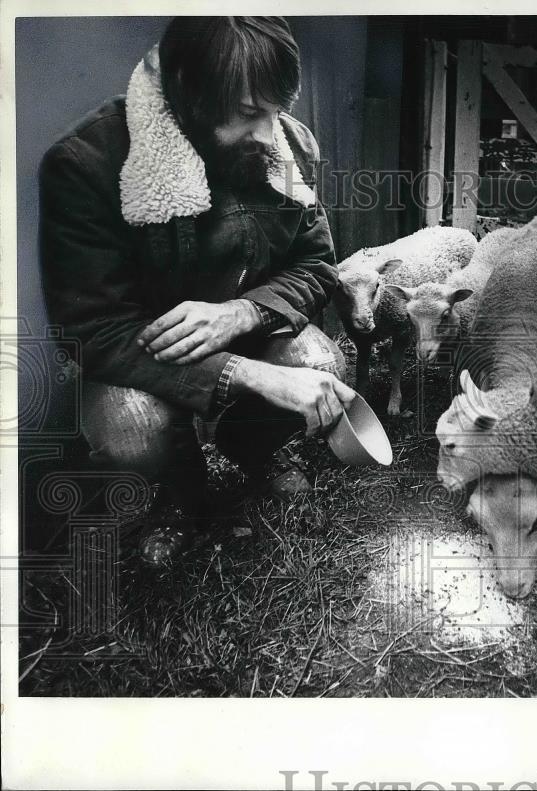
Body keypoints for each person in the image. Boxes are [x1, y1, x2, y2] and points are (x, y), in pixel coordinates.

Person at [39, 17, 353, 566]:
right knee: (131, 431)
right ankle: (177, 495)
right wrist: (248, 374)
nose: (269, 133)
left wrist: (243, 313)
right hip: (143, 353)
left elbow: (317, 265)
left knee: (321, 362)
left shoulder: (289, 145)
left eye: (278, 109)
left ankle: (253, 449)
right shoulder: (85, 163)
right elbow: (92, 330)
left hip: (248, 328)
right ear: (188, 92)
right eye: (250, 112)